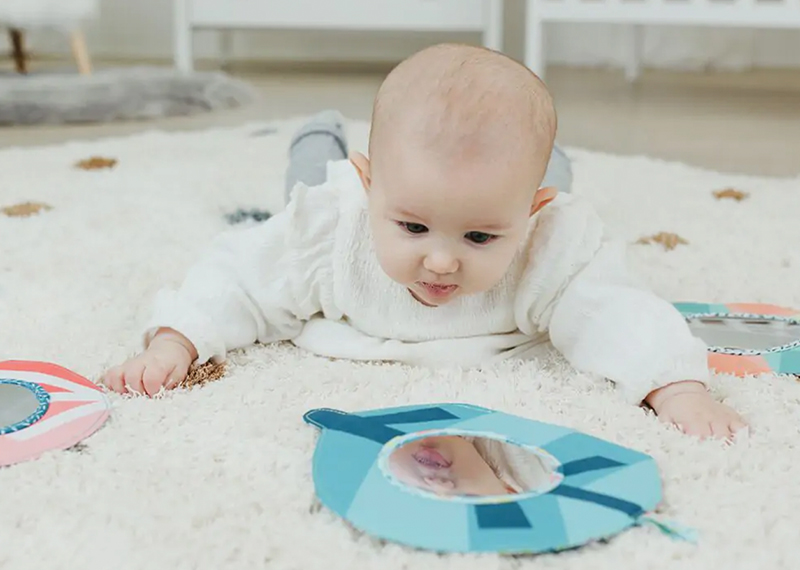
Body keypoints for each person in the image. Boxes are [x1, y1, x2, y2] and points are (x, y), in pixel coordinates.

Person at [103, 43, 746, 440]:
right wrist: (176, 339)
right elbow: (241, 274)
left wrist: (674, 385)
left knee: (543, 176)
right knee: (299, 188)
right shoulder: (334, 225)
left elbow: (617, 309)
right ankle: (318, 135)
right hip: (346, 191)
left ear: (531, 217)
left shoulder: (550, 242)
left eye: (480, 235)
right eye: (412, 227)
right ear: (370, 185)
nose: (441, 260)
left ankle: (549, 166)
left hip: (504, 191)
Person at [386, 435, 557, 497]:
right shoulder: (536, 475)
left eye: (421, 494)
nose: (439, 485)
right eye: (465, 499)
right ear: (509, 493)